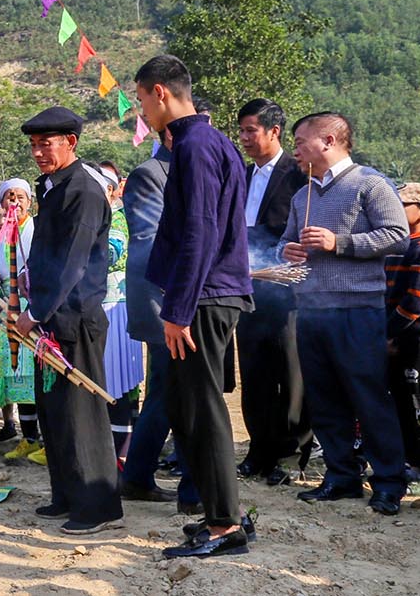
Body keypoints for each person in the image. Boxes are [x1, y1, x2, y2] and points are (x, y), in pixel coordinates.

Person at [136, 55, 253, 557]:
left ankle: (226, 524)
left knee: (203, 410)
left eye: (141, 100)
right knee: (186, 409)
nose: (141, 111)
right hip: (202, 294)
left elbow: (201, 230)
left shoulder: (197, 145)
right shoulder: (199, 141)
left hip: (204, 298)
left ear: (160, 92)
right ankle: (216, 513)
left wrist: (179, 309)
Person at [279, 111, 408, 516]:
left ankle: (388, 482)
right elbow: (286, 241)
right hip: (312, 309)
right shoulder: (303, 196)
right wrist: (288, 250)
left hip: (357, 309)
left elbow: (398, 236)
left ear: (330, 141)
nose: (296, 149)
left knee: (368, 396)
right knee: (324, 397)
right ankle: (340, 476)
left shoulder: (369, 183)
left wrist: (340, 242)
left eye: (301, 141)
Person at [16, 106, 123, 536]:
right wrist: (30, 279)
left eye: (48, 144)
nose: (39, 152)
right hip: (50, 315)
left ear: (71, 143)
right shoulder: (51, 187)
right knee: (54, 411)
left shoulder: (82, 189)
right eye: (35, 145)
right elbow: (50, 252)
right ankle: (67, 494)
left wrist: (35, 312)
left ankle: (97, 505)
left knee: (82, 414)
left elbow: (75, 264)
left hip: (75, 317)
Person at [235, 98, 310, 484]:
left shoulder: (299, 175)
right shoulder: (242, 175)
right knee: (254, 373)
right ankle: (258, 449)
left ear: (274, 131)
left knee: (291, 374)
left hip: (287, 293)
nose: (245, 138)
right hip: (248, 290)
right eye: (242, 131)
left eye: (252, 130)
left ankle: (289, 454)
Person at [120, 133, 194, 508]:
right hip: (163, 301)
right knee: (167, 391)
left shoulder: (190, 169)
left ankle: (140, 473)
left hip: (185, 299)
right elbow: (149, 240)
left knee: (172, 391)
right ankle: (139, 475)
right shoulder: (151, 173)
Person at [0, 179, 41, 461]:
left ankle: (43, 438)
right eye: (8, 197)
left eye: (19, 197)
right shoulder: (2, 234)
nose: (13, 202)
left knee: (35, 374)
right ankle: (28, 437)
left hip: (32, 310)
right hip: (6, 308)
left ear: (29, 202)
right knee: (17, 376)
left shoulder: (36, 230)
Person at [96, 167, 143, 461]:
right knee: (102, 380)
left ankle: (122, 454)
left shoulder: (116, 220)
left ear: (113, 192)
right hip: (95, 307)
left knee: (119, 381)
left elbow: (110, 253)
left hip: (117, 307)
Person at [385, 183, 420, 478]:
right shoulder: (396, 246)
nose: (397, 209)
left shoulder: (418, 248)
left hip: (411, 338)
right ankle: (410, 459)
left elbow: (414, 302)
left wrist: (389, 334)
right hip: (394, 336)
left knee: (412, 399)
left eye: (404, 204)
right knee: (400, 400)